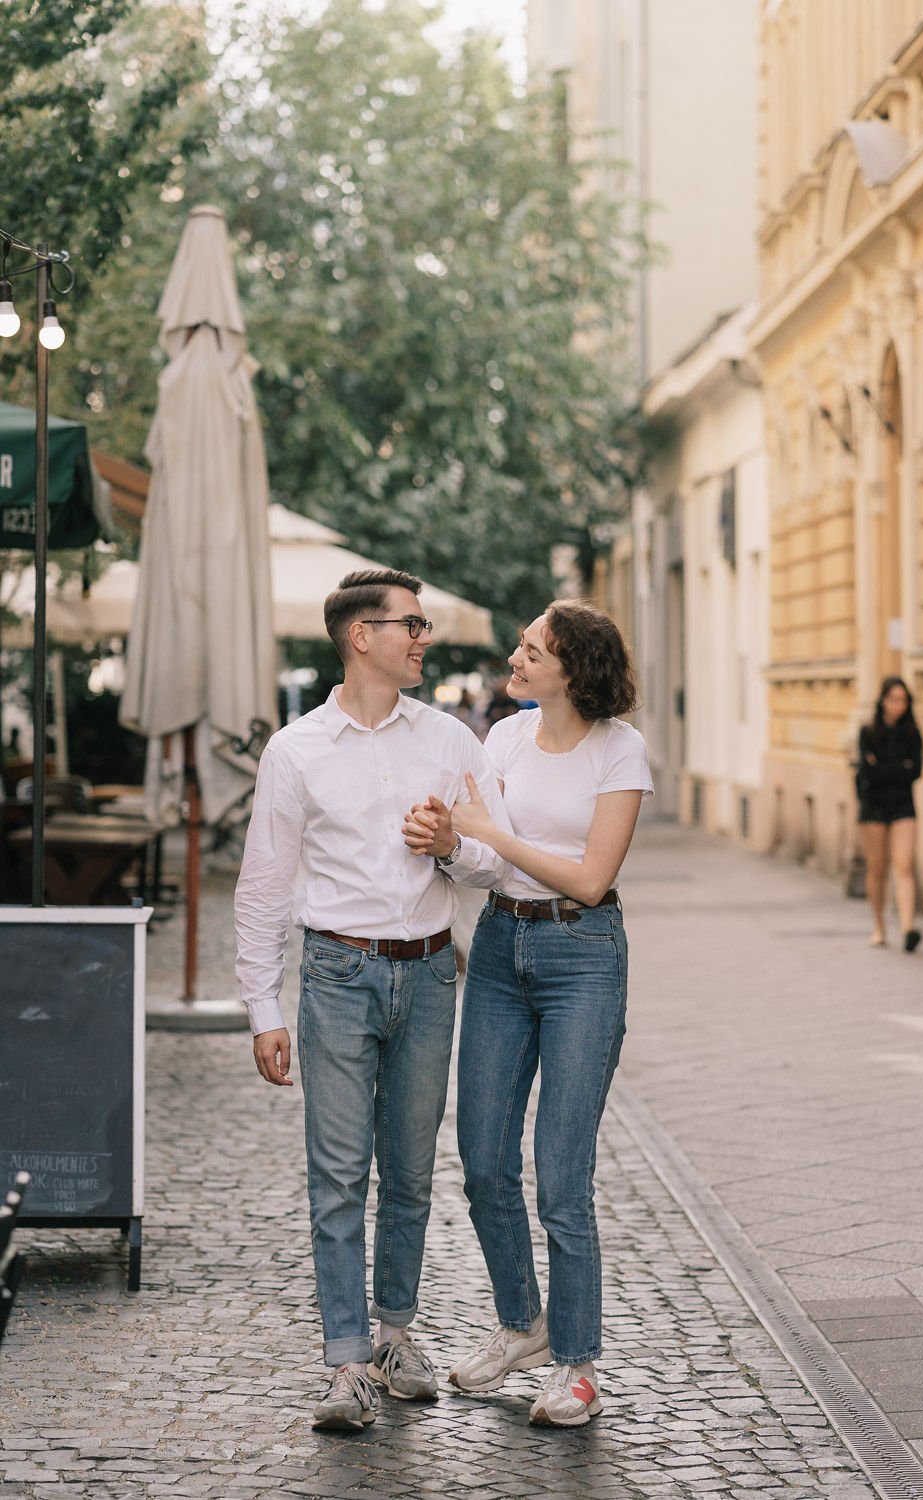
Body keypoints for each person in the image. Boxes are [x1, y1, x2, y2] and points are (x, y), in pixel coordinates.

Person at [234, 569, 510, 1434]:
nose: (424, 638)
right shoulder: (296, 750)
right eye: (411, 624)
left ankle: (396, 1336)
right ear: (362, 636)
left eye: (424, 625)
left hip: (430, 976)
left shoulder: (451, 742)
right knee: (337, 1174)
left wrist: (452, 845)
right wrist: (261, 1008)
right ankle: (346, 1362)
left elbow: (496, 862)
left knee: (412, 1173)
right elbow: (262, 886)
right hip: (335, 976)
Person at [403, 600, 652, 1427]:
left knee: (563, 1175)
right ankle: (525, 1326)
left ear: (572, 669)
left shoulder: (620, 752)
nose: (516, 657)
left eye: (531, 649)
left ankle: (578, 1364)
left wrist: (491, 838)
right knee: (480, 1161)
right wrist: (451, 842)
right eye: (520, 646)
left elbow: (588, 877)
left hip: (584, 955)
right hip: (504, 952)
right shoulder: (504, 738)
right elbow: (480, 860)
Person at [855, 675, 923, 952]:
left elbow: (915, 771)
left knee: (904, 864)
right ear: (883, 701)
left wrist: (883, 768)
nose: (899, 706)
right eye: (894, 699)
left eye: (904, 700)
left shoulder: (912, 733)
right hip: (873, 807)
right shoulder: (868, 732)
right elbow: (867, 773)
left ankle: (908, 928)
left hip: (903, 806)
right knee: (877, 868)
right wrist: (898, 769)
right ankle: (879, 926)